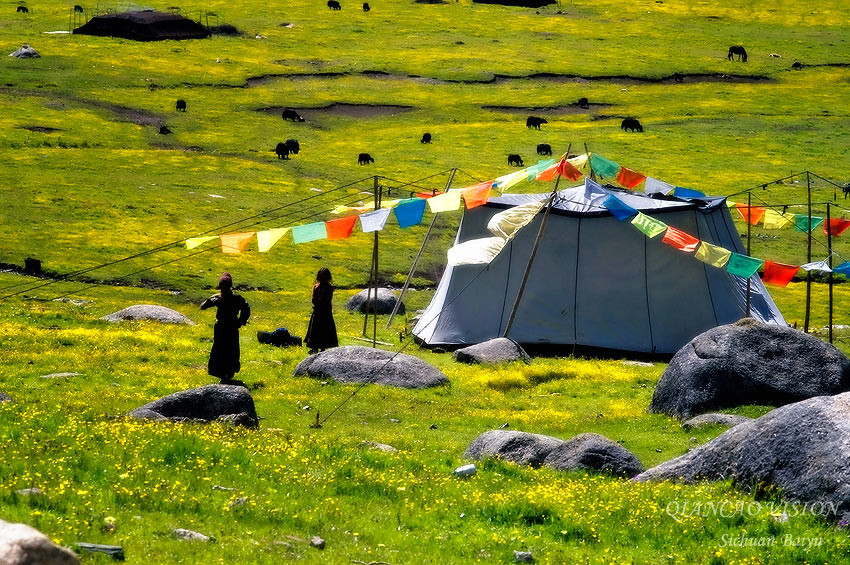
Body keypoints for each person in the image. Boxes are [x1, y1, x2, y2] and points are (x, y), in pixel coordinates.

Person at [200, 272, 250, 382]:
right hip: (229, 327)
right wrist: (241, 321)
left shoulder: (221, 298)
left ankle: (225, 374)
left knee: (223, 349)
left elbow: (202, 307)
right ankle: (226, 374)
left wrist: (240, 321)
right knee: (228, 349)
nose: (223, 290)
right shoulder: (236, 298)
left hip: (224, 327)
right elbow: (246, 308)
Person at [305, 267, 338, 354]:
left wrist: (319, 303)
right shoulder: (317, 287)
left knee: (323, 329)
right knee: (316, 329)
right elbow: (314, 299)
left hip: (325, 312)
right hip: (318, 311)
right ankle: (315, 346)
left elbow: (327, 300)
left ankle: (323, 347)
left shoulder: (329, 288)